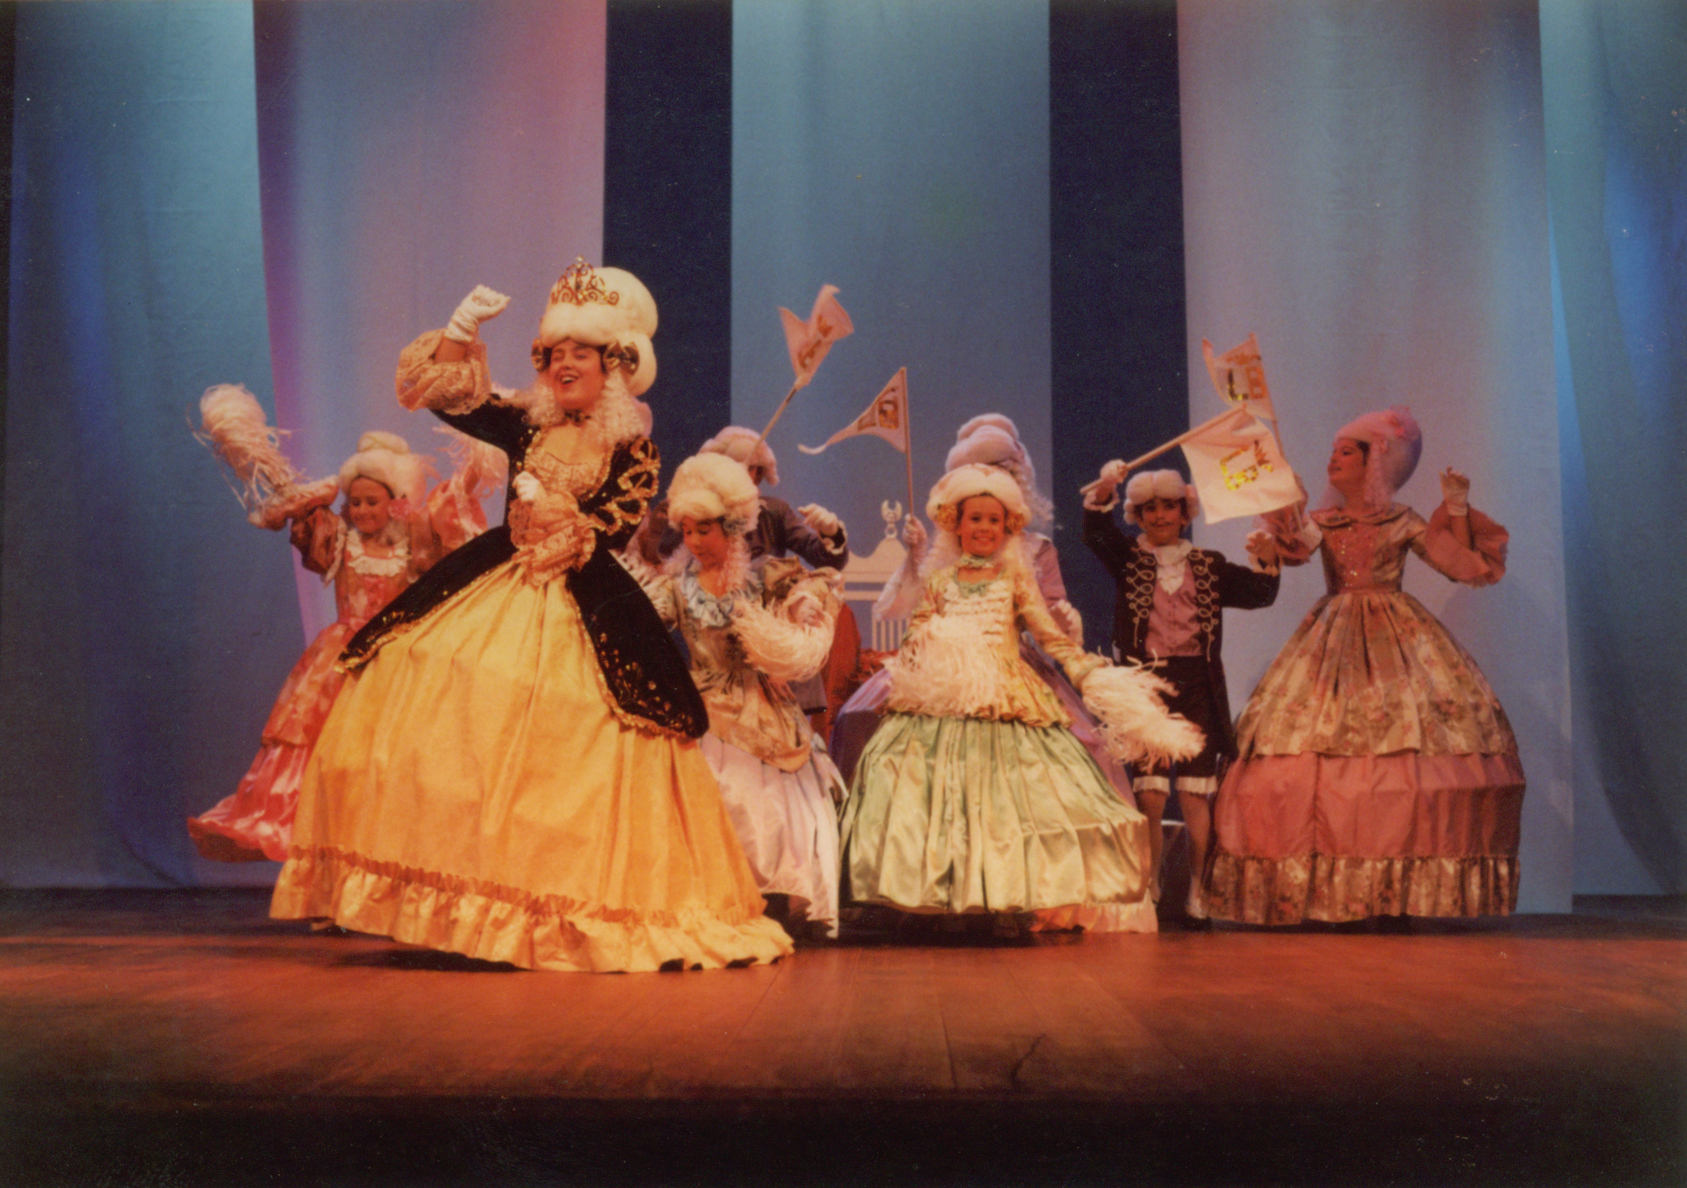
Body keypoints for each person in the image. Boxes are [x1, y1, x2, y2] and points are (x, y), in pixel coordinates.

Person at [269, 260, 792, 972]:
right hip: (502, 575)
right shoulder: (526, 422)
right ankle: (459, 900)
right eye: (553, 353)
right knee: (423, 666)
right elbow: (441, 398)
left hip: (579, 589)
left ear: (614, 364)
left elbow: (617, 515)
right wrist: (458, 335)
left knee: (577, 730)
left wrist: (569, 528)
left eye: (582, 352)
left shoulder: (631, 445)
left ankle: (550, 905)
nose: (564, 364)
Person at [840, 464, 1202, 936]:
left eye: (994, 520)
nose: (985, 528)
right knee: (927, 795)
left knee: (1008, 802)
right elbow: (916, 635)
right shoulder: (939, 581)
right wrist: (920, 667)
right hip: (942, 697)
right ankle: (943, 900)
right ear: (957, 523)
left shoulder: (1015, 578)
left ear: (1007, 526)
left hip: (1004, 696)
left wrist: (1091, 674)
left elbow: (1051, 637)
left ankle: (1004, 901)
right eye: (975, 519)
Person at [1205, 406, 1524, 925]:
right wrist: (1271, 539)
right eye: (1333, 451)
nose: (1335, 459)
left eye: (1347, 451)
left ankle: (1393, 888)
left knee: (1405, 758)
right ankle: (1323, 888)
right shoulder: (1324, 521)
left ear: (1376, 461)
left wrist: (1458, 508)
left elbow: (1463, 566)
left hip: (1398, 639)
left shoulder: (1402, 521)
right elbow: (1296, 549)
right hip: (1330, 638)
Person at [188, 431, 491, 863]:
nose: (363, 510)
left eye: (373, 501)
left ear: (395, 501)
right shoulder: (339, 539)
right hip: (343, 660)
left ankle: (384, 862)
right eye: (356, 502)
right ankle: (326, 862)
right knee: (329, 762)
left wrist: (472, 474)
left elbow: (453, 529)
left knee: (388, 761)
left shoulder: (415, 537)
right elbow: (302, 508)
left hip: (396, 658)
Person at [630, 452, 848, 938]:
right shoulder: (680, 584)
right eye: (686, 531)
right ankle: (711, 897)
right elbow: (646, 619)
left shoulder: (759, 575)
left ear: (730, 529)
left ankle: (765, 897)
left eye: (702, 530)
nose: (692, 542)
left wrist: (805, 607)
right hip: (701, 706)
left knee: (758, 802)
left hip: (758, 708)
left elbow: (807, 584)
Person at [1082, 467, 1280, 920]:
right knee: (1150, 793)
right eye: (1150, 508)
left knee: (1194, 794)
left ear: (1183, 510)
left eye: (1168, 506)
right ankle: (1150, 882)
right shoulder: (1130, 560)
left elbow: (1259, 594)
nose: (1160, 516)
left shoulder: (1207, 564)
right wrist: (1105, 488)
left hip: (1197, 685)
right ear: (1139, 514)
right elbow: (1095, 532)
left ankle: (1198, 887)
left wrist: (1268, 557)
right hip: (1145, 683)